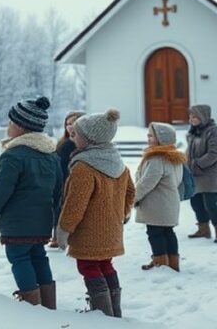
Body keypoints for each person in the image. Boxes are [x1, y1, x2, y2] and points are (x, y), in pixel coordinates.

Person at [0, 96, 62, 309]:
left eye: (10, 122)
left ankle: (32, 304)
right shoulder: (51, 155)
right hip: (43, 221)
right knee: (39, 257)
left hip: (17, 224)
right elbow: (58, 190)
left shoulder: (13, 156)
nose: (8, 126)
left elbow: (1, 187)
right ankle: (48, 304)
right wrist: (55, 218)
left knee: (19, 259)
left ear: (20, 126)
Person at [55, 109, 135, 318]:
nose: (73, 137)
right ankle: (113, 312)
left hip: (89, 232)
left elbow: (75, 204)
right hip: (111, 229)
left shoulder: (84, 167)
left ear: (90, 139)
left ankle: (102, 314)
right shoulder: (117, 162)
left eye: (77, 134)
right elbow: (130, 191)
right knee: (105, 264)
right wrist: (122, 214)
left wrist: (63, 230)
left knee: (89, 266)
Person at [134, 122, 186, 272]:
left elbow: (146, 183)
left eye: (151, 135)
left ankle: (161, 263)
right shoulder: (173, 156)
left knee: (155, 233)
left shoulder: (157, 159)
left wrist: (132, 198)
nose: (148, 138)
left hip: (157, 205)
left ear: (161, 138)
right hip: (168, 202)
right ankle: (172, 263)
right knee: (168, 232)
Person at [185, 104, 217, 244]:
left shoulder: (213, 131)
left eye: (195, 116)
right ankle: (203, 229)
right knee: (195, 202)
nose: (191, 119)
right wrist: (186, 163)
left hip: (209, 174)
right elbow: (189, 151)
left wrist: (197, 163)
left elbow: (214, 153)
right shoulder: (193, 131)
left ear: (203, 117)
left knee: (210, 204)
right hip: (194, 173)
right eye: (190, 116)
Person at [48, 111, 85, 248]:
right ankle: (57, 237)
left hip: (72, 179)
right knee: (58, 207)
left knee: (68, 208)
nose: (69, 127)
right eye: (67, 124)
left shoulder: (79, 144)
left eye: (73, 123)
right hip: (59, 178)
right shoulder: (63, 142)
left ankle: (65, 237)